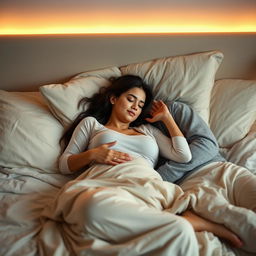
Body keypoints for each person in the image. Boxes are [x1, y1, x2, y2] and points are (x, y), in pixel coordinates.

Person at [46, 75, 242, 255]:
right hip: (104, 183)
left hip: (144, 184)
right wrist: (93, 154)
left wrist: (167, 118)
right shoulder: (92, 125)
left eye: (140, 105)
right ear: (114, 98)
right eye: (131, 99)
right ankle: (183, 223)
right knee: (90, 206)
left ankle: (181, 224)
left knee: (94, 211)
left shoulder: (147, 130)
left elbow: (183, 155)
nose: (135, 107)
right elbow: (64, 164)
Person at [154, 99, 256, 254]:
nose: (135, 106)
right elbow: (147, 176)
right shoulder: (135, 135)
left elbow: (208, 144)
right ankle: (203, 224)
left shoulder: (173, 109)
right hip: (193, 185)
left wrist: (166, 173)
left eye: (138, 100)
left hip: (225, 170)